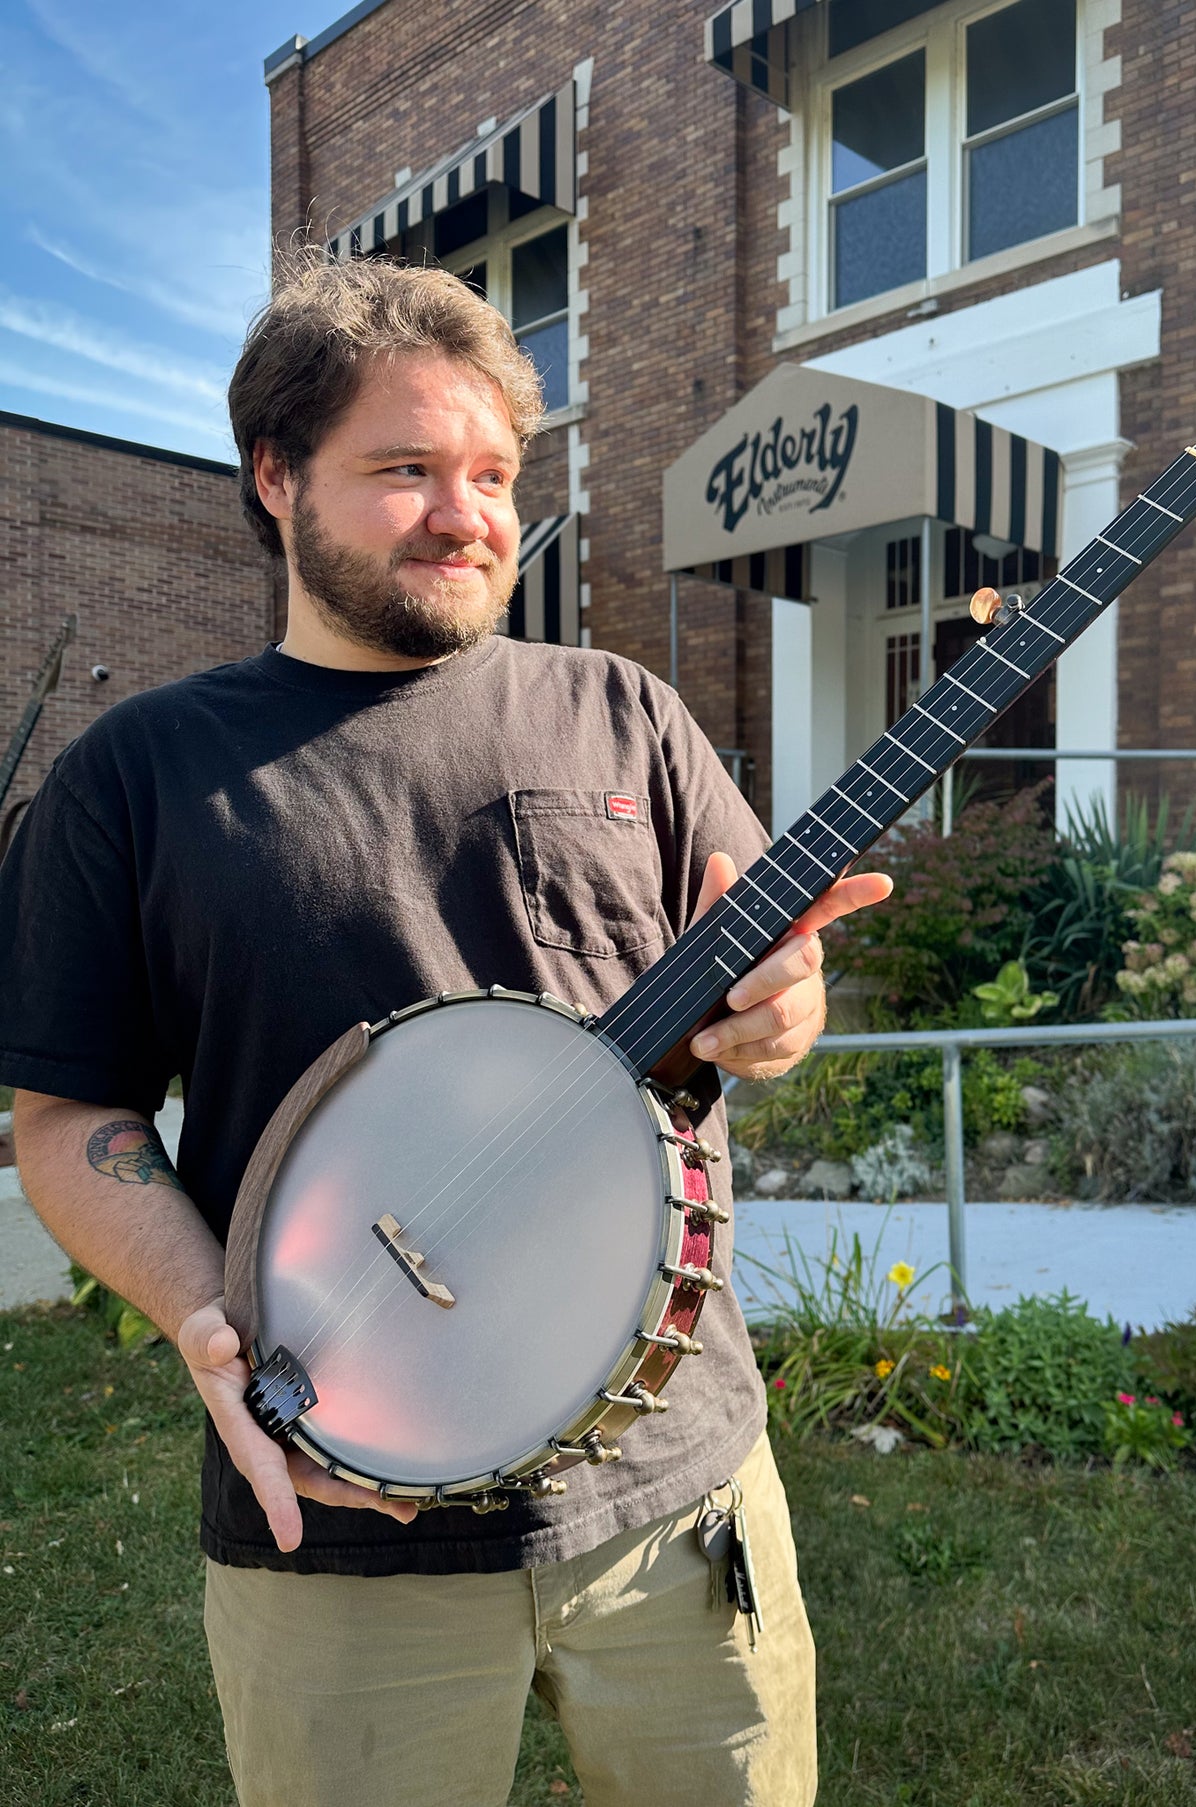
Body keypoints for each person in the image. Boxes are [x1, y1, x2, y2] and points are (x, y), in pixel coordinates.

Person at [0, 255, 889, 1807]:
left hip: (674, 1485)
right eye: (403, 470)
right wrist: (211, 1318)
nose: (466, 515)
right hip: (337, 1523)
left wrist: (782, 1014)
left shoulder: (626, 712)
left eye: (490, 475)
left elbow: (767, 991)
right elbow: (72, 1121)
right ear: (275, 478)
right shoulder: (137, 777)